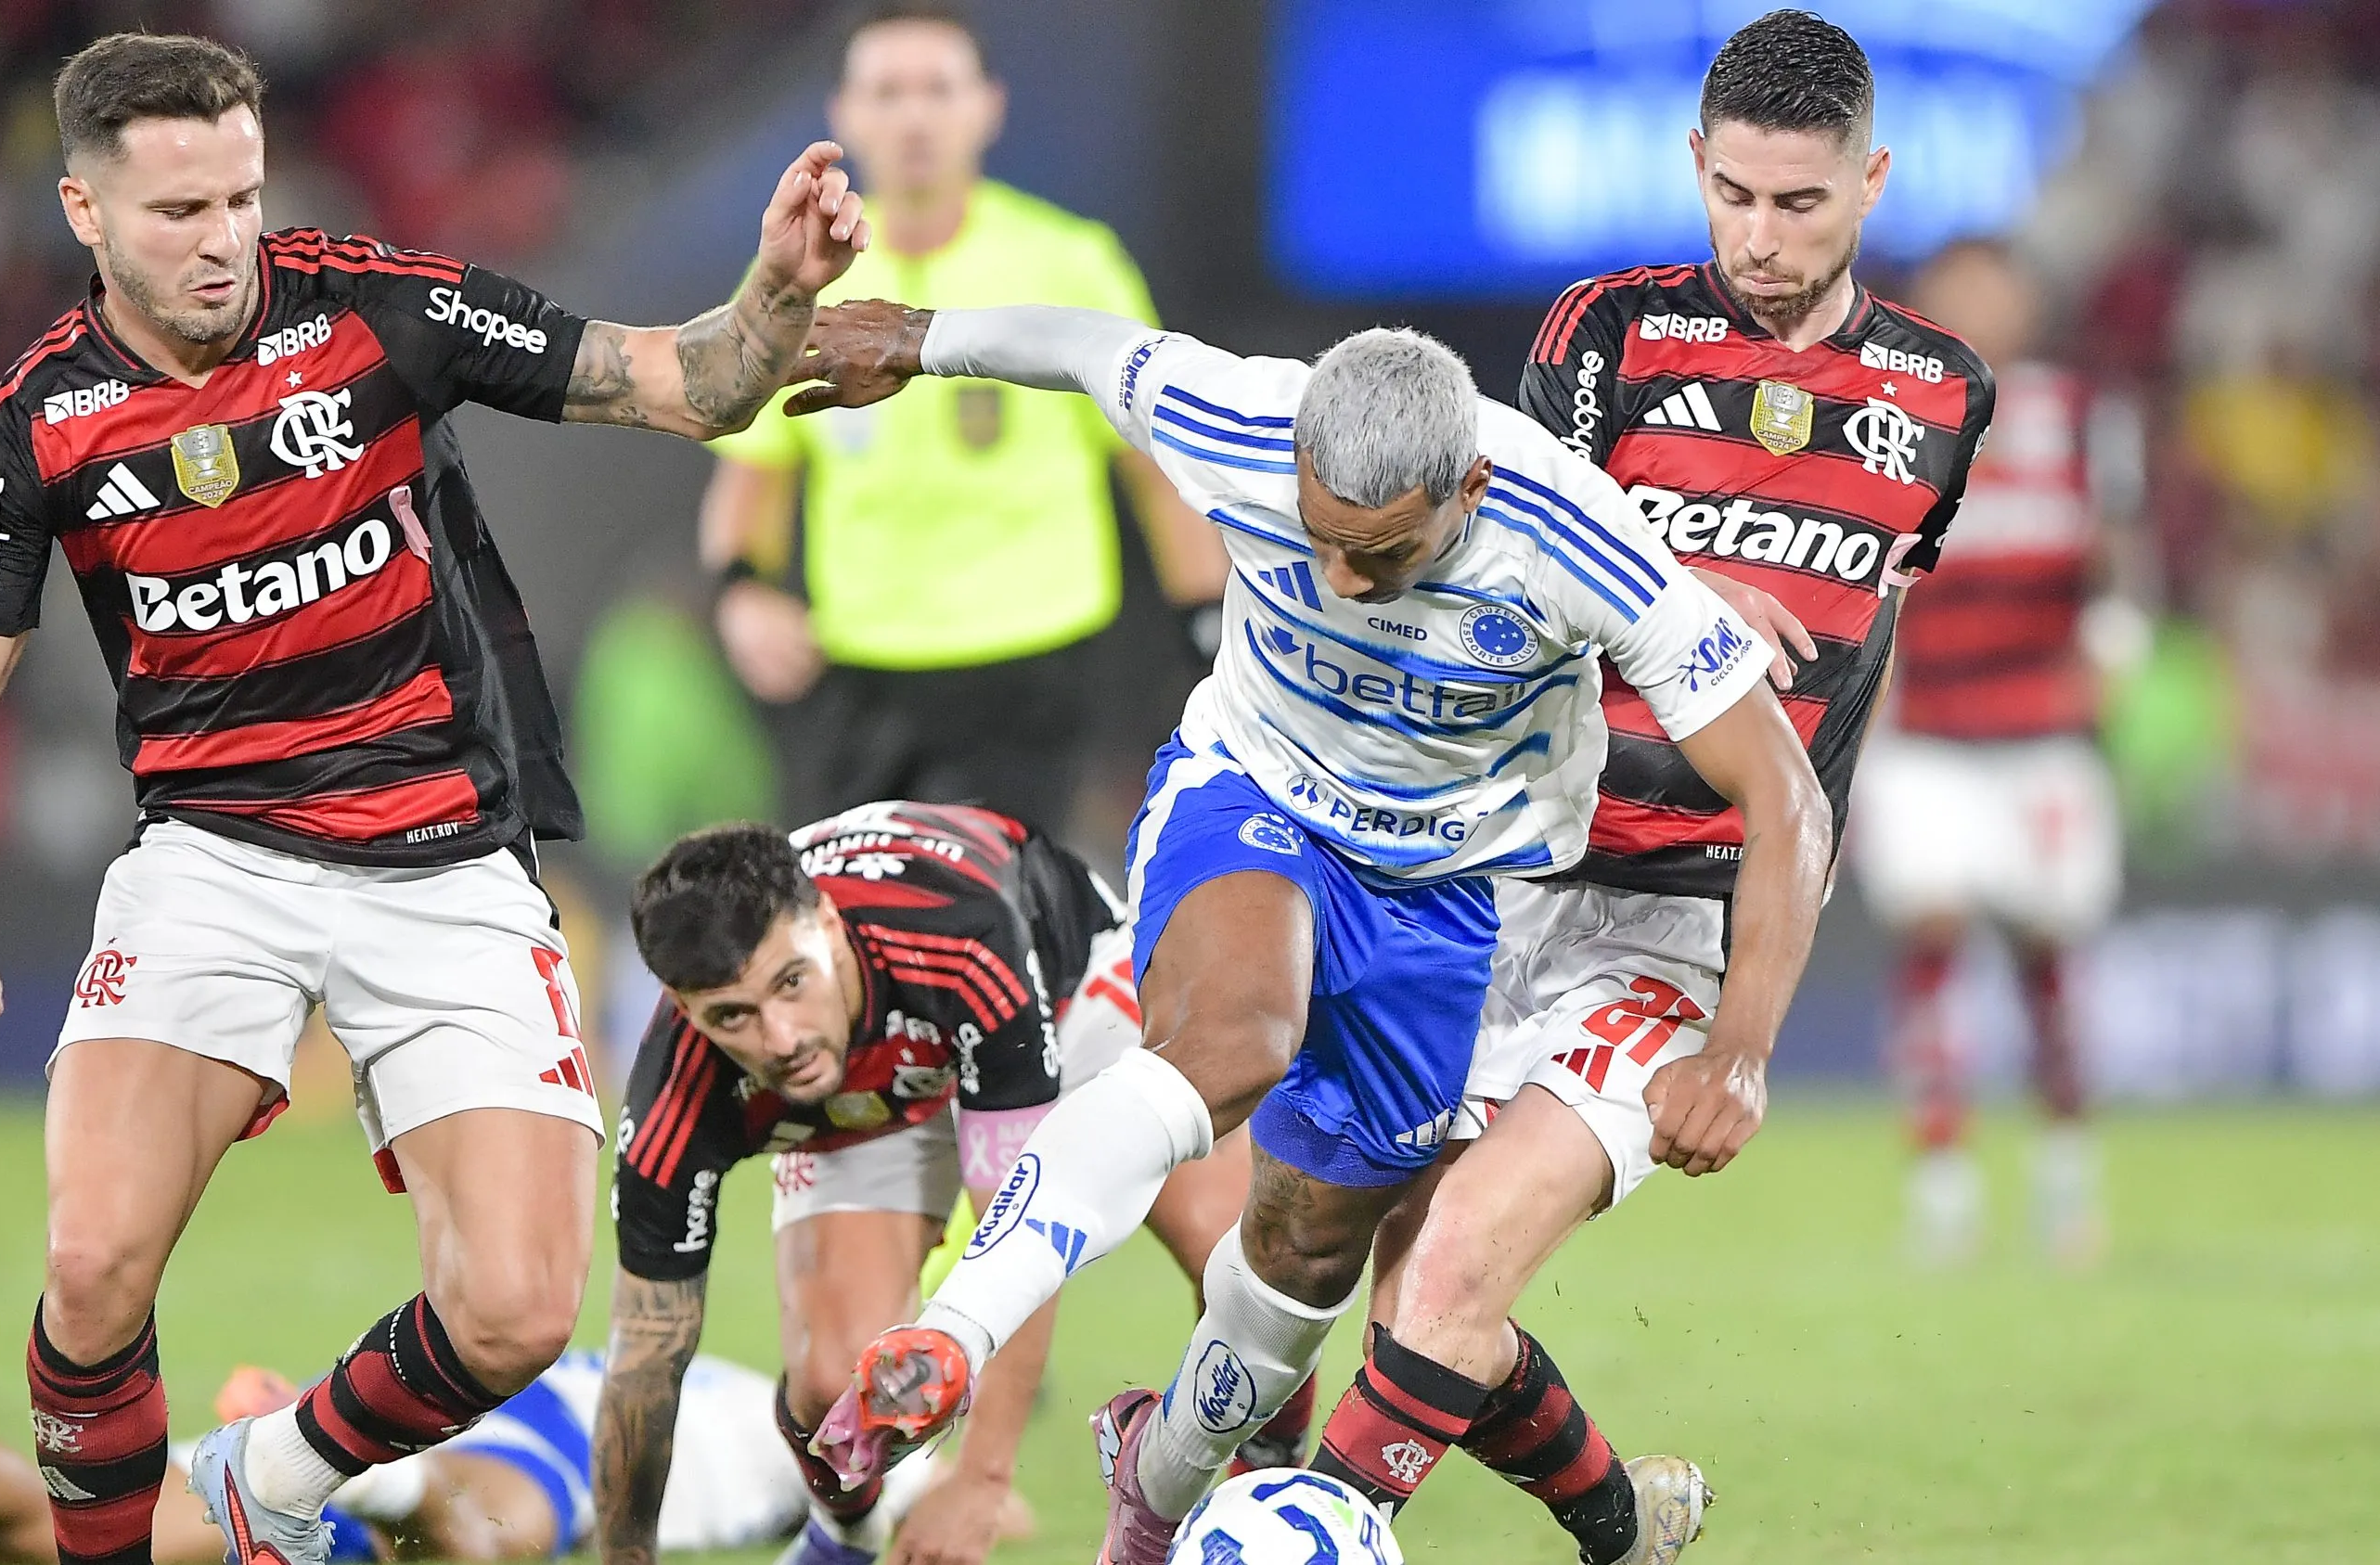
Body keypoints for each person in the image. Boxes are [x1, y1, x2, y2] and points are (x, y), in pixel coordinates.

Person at [0, 32, 867, 1565]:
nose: (222, 242)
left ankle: (267, 1478)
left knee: (522, 1311)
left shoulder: (378, 308)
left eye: (241, 200)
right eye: (177, 212)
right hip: (209, 864)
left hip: (446, 863)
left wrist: (779, 292)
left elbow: (692, 384)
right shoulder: (34, 426)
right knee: (89, 1269)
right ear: (83, 210)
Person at [781, 289, 1829, 1565]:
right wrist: (918, 339)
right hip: (1253, 793)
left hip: (1450, 897)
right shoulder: (1240, 418)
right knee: (1233, 1038)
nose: (1339, 577)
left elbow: (1785, 794)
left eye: (1380, 553)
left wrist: (1743, 1047)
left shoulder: (1572, 536)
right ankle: (954, 1327)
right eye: (1321, 537)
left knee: (1302, 1258)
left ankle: (1152, 1499)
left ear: (1473, 486)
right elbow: (1087, 347)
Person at [1296, 15, 1996, 1565]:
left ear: (1872, 181)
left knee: (1452, 1273)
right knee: (1400, 1294)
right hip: (1504, 866)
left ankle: (1293, 1533)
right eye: (1734, 194)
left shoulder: (1944, 394)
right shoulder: (1602, 338)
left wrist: (1745, 1042)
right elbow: (1498, 575)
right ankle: (1624, 1525)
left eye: (1800, 204)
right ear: (1696, 166)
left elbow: (1841, 702)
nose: (1760, 235)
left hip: (1685, 916)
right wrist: (1667, 596)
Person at [592, 802, 1284, 1565]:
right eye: (733, 1016)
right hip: (872, 1088)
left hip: (1062, 995)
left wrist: (982, 1480)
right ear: (685, 1010)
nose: (779, 1038)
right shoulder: (675, 1097)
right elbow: (645, 1361)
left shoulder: (958, 940)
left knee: (1243, 1254)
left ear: (824, 922)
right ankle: (844, 1536)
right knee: (828, 1386)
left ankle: (1270, 1487)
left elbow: (1028, 1220)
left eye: (791, 982)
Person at [701, 2, 1224, 833]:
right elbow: (754, 467)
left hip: (1031, 662)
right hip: (859, 667)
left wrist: (1208, 619)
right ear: (843, 113)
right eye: (888, 90)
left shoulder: (1069, 262)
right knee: (855, 931)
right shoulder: (796, 276)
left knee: (1005, 924)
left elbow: (1154, 462)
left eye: (939, 89)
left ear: (989, 106)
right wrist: (742, 591)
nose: (915, 115)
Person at [1852, 237, 2128, 1266]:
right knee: (1932, 930)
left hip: (2044, 733)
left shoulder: (2083, 417)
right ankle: (1944, 1182)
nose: (1978, 307)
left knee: (2048, 948)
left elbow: (2118, 561)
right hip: (1927, 737)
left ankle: (2066, 1172)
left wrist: (2114, 648)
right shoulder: (1891, 417)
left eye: (1994, 289)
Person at [0, 1351, 812, 1562]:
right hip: (546, 1431)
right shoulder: (801, 1436)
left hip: (432, 1393)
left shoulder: (756, 1388)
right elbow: (882, 1505)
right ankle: (355, 1462)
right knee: (490, 1538)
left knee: (81, 1538)